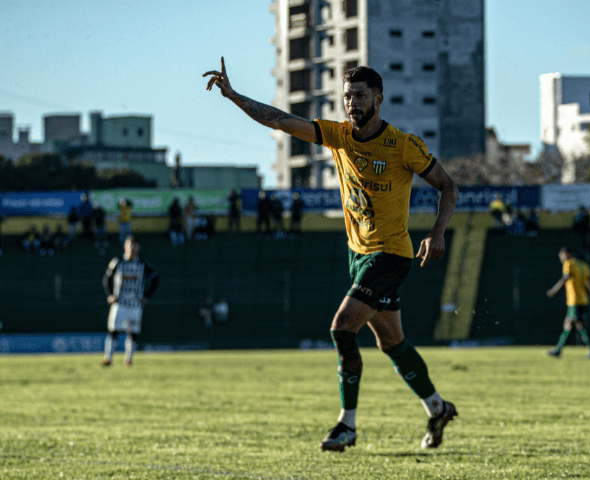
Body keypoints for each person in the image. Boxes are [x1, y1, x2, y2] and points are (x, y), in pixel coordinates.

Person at [204, 59, 459, 451]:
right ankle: (437, 407)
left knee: (342, 328)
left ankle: (348, 425)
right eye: (346, 97)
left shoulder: (402, 145)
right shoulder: (338, 136)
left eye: (359, 96)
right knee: (392, 344)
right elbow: (279, 119)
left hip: (391, 255)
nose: (352, 103)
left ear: (378, 99)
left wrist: (437, 232)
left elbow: (447, 186)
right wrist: (234, 96)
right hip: (358, 255)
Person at [102, 236, 159, 367]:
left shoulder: (143, 264)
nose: (132, 248)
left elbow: (156, 280)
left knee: (133, 332)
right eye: (129, 245)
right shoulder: (117, 262)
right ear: (125, 247)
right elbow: (106, 279)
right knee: (113, 330)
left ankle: (128, 359)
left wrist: (146, 297)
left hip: (135, 305)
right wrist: (110, 295)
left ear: (138, 247)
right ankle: (108, 358)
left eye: (134, 245)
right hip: (119, 304)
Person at [545, 247, 590, 358]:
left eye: (562, 256)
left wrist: (554, 290)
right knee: (571, 324)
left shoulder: (569, 264)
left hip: (574, 300)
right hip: (584, 300)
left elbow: (565, 278)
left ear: (567, 254)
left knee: (579, 326)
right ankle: (558, 350)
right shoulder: (584, 265)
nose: (561, 259)